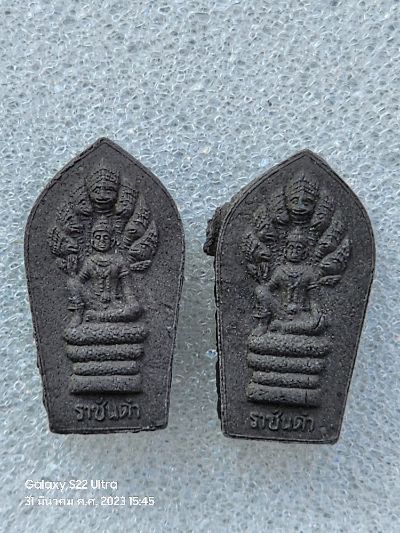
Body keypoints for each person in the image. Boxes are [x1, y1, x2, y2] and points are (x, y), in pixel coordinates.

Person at [67, 216, 141, 327]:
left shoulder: (119, 261)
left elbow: (127, 290)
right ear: (92, 241)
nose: (102, 240)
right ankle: (79, 313)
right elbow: (78, 283)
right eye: (98, 237)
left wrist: (131, 301)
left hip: (115, 304)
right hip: (93, 302)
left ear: (112, 241)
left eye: (106, 237)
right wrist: (72, 273)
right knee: (71, 282)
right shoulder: (90, 262)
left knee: (135, 309)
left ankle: (97, 317)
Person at [253, 227, 324, 336]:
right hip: (281, 312)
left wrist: (316, 314)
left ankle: (282, 327)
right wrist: (261, 278)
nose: (294, 251)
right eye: (291, 247)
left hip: (301, 314)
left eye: (298, 248)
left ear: (304, 253)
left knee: (315, 324)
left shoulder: (308, 272)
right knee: (260, 290)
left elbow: (313, 300)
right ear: (285, 251)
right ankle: (264, 324)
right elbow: (268, 289)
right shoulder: (280, 271)